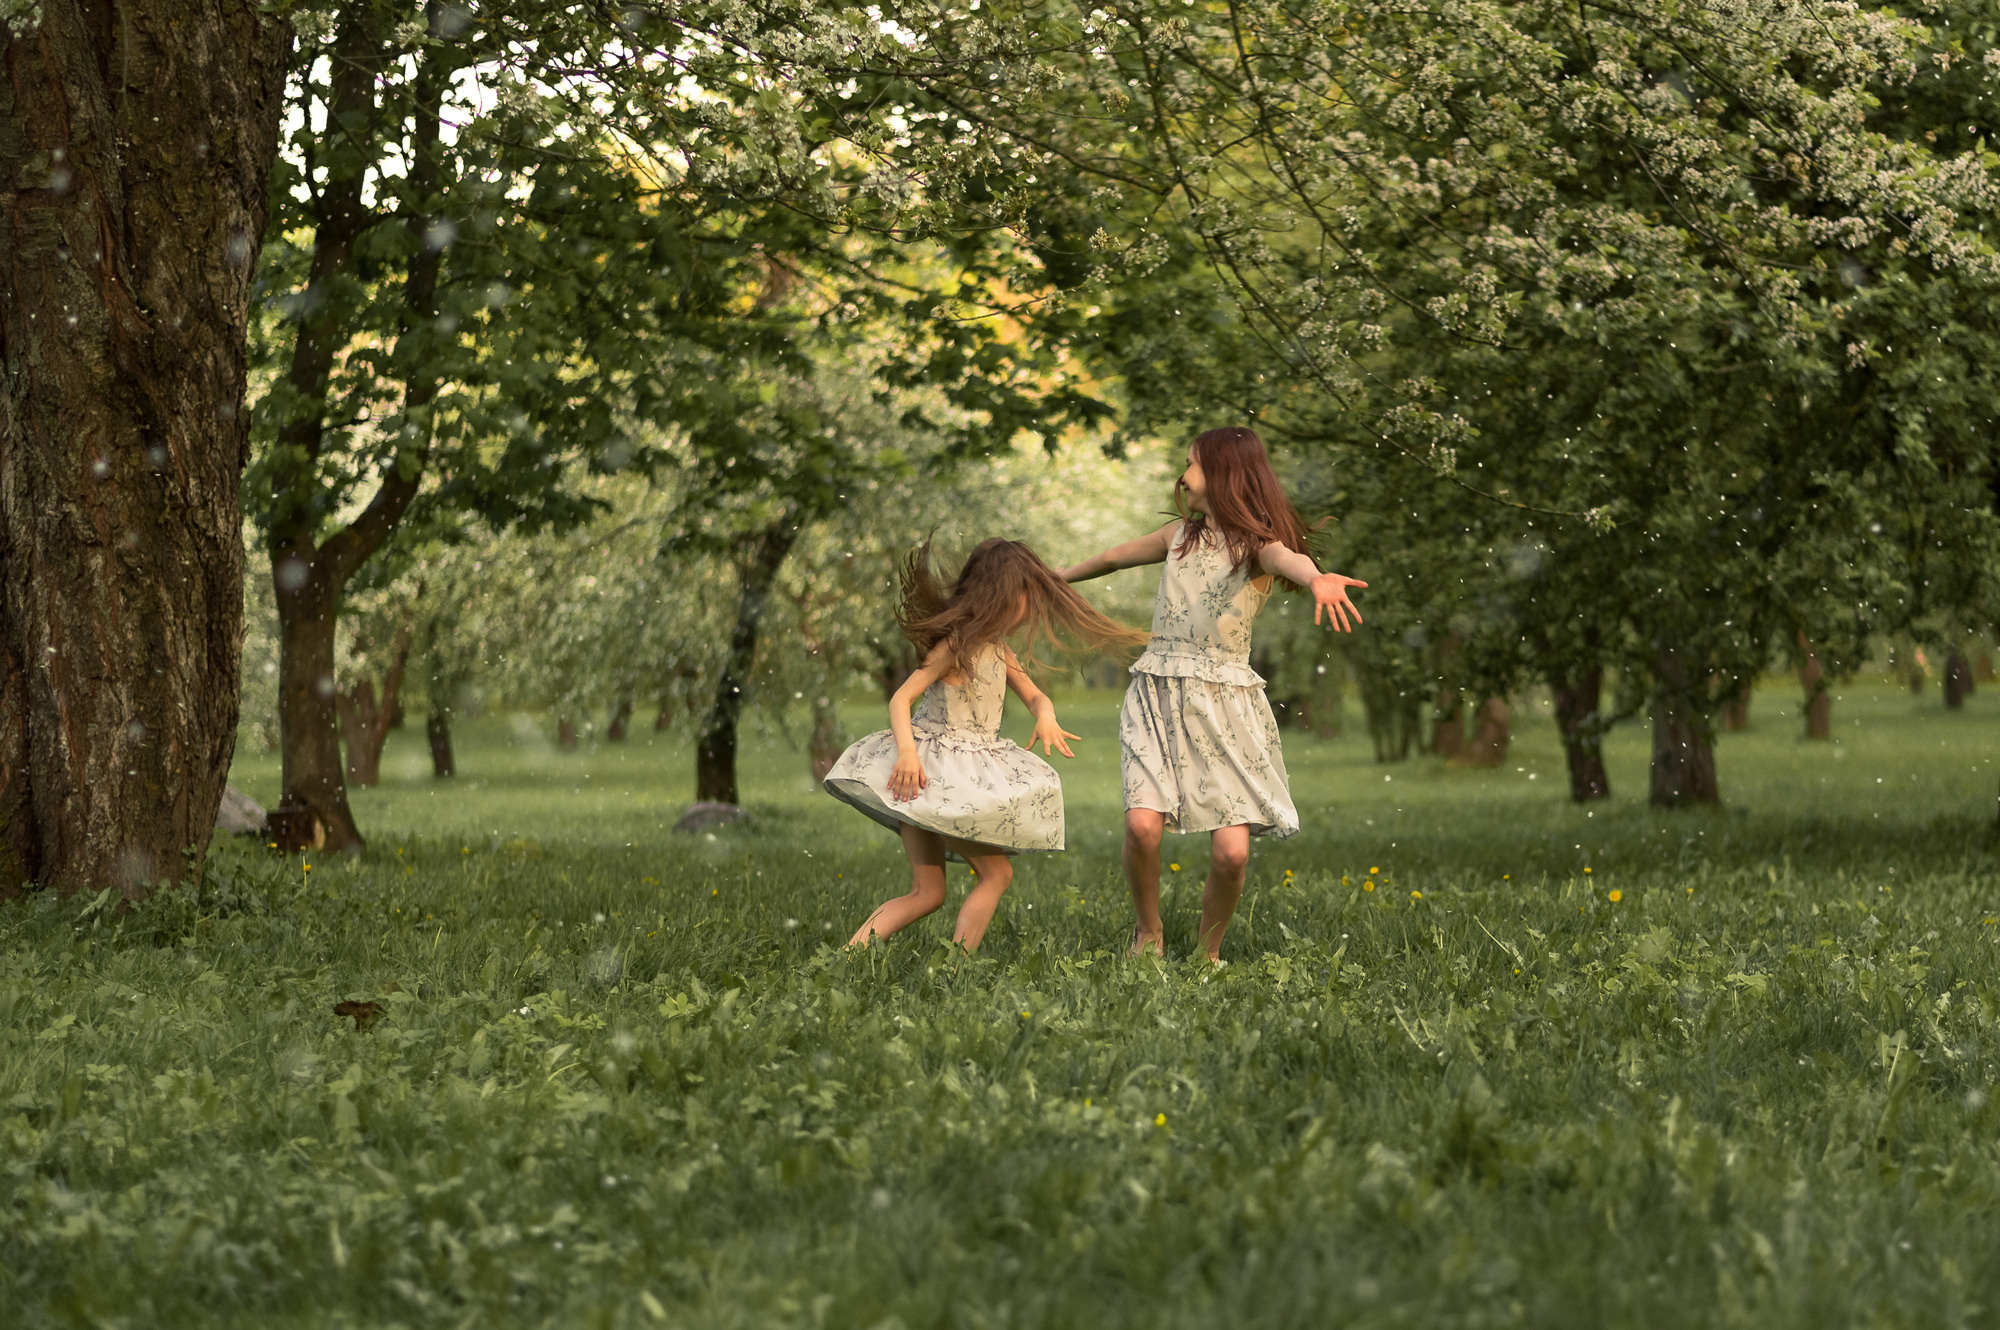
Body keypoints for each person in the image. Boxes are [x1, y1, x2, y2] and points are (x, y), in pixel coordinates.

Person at [1060, 426, 1366, 962]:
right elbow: (1112, 557)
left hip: (1224, 707)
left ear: (1223, 474)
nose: (1182, 475)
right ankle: (1148, 933)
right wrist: (1056, 578)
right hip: (1157, 695)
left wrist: (1317, 579)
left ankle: (1208, 954)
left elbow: (1287, 561)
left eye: (1191, 463)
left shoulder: (1259, 548)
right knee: (1140, 825)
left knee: (1230, 854)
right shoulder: (1179, 536)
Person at [827, 538, 1147, 952]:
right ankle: (956, 965)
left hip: (947, 771)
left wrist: (1045, 715)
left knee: (928, 893)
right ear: (998, 594)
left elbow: (1035, 695)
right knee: (995, 875)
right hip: (932, 772)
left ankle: (850, 957)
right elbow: (901, 698)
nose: (1031, 608)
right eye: (1025, 596)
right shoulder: (955, 647)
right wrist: (907, 753)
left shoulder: (997, 648)